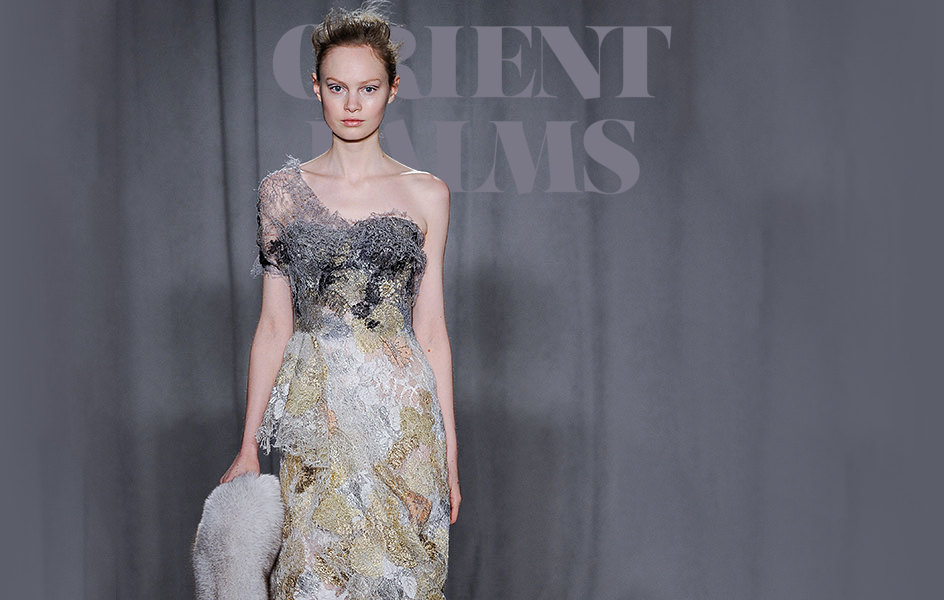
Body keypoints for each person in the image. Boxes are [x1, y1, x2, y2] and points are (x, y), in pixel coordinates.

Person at [219, 2, 460, 598]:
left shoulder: (427, 194)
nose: (352, 104)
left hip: (403, 423)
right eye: (337, 87)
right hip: (317, 420)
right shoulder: (281, 195)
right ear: (316, 88)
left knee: (403, 580)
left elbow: (431, 328)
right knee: (311, 578)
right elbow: (273, 326)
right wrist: (248, 446)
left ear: (392, 91)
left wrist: (450, 452)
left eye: (368, 88)